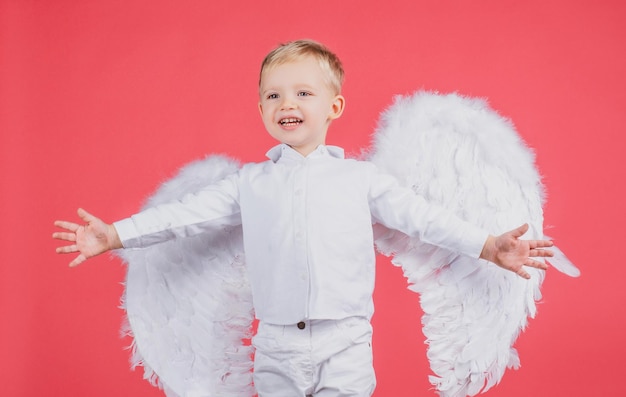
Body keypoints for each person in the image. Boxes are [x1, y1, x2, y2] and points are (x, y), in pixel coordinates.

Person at [53, 39, 553, 397]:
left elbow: (424, 219)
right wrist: (117, 234)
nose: (286, 103)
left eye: (302, 93)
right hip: (276, 344)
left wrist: (488, 245)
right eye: (273, 95)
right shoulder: (248, 185)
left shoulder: (362, 180)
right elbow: (185, 216)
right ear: (261, 109)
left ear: (334, 106)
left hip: (347, 341)